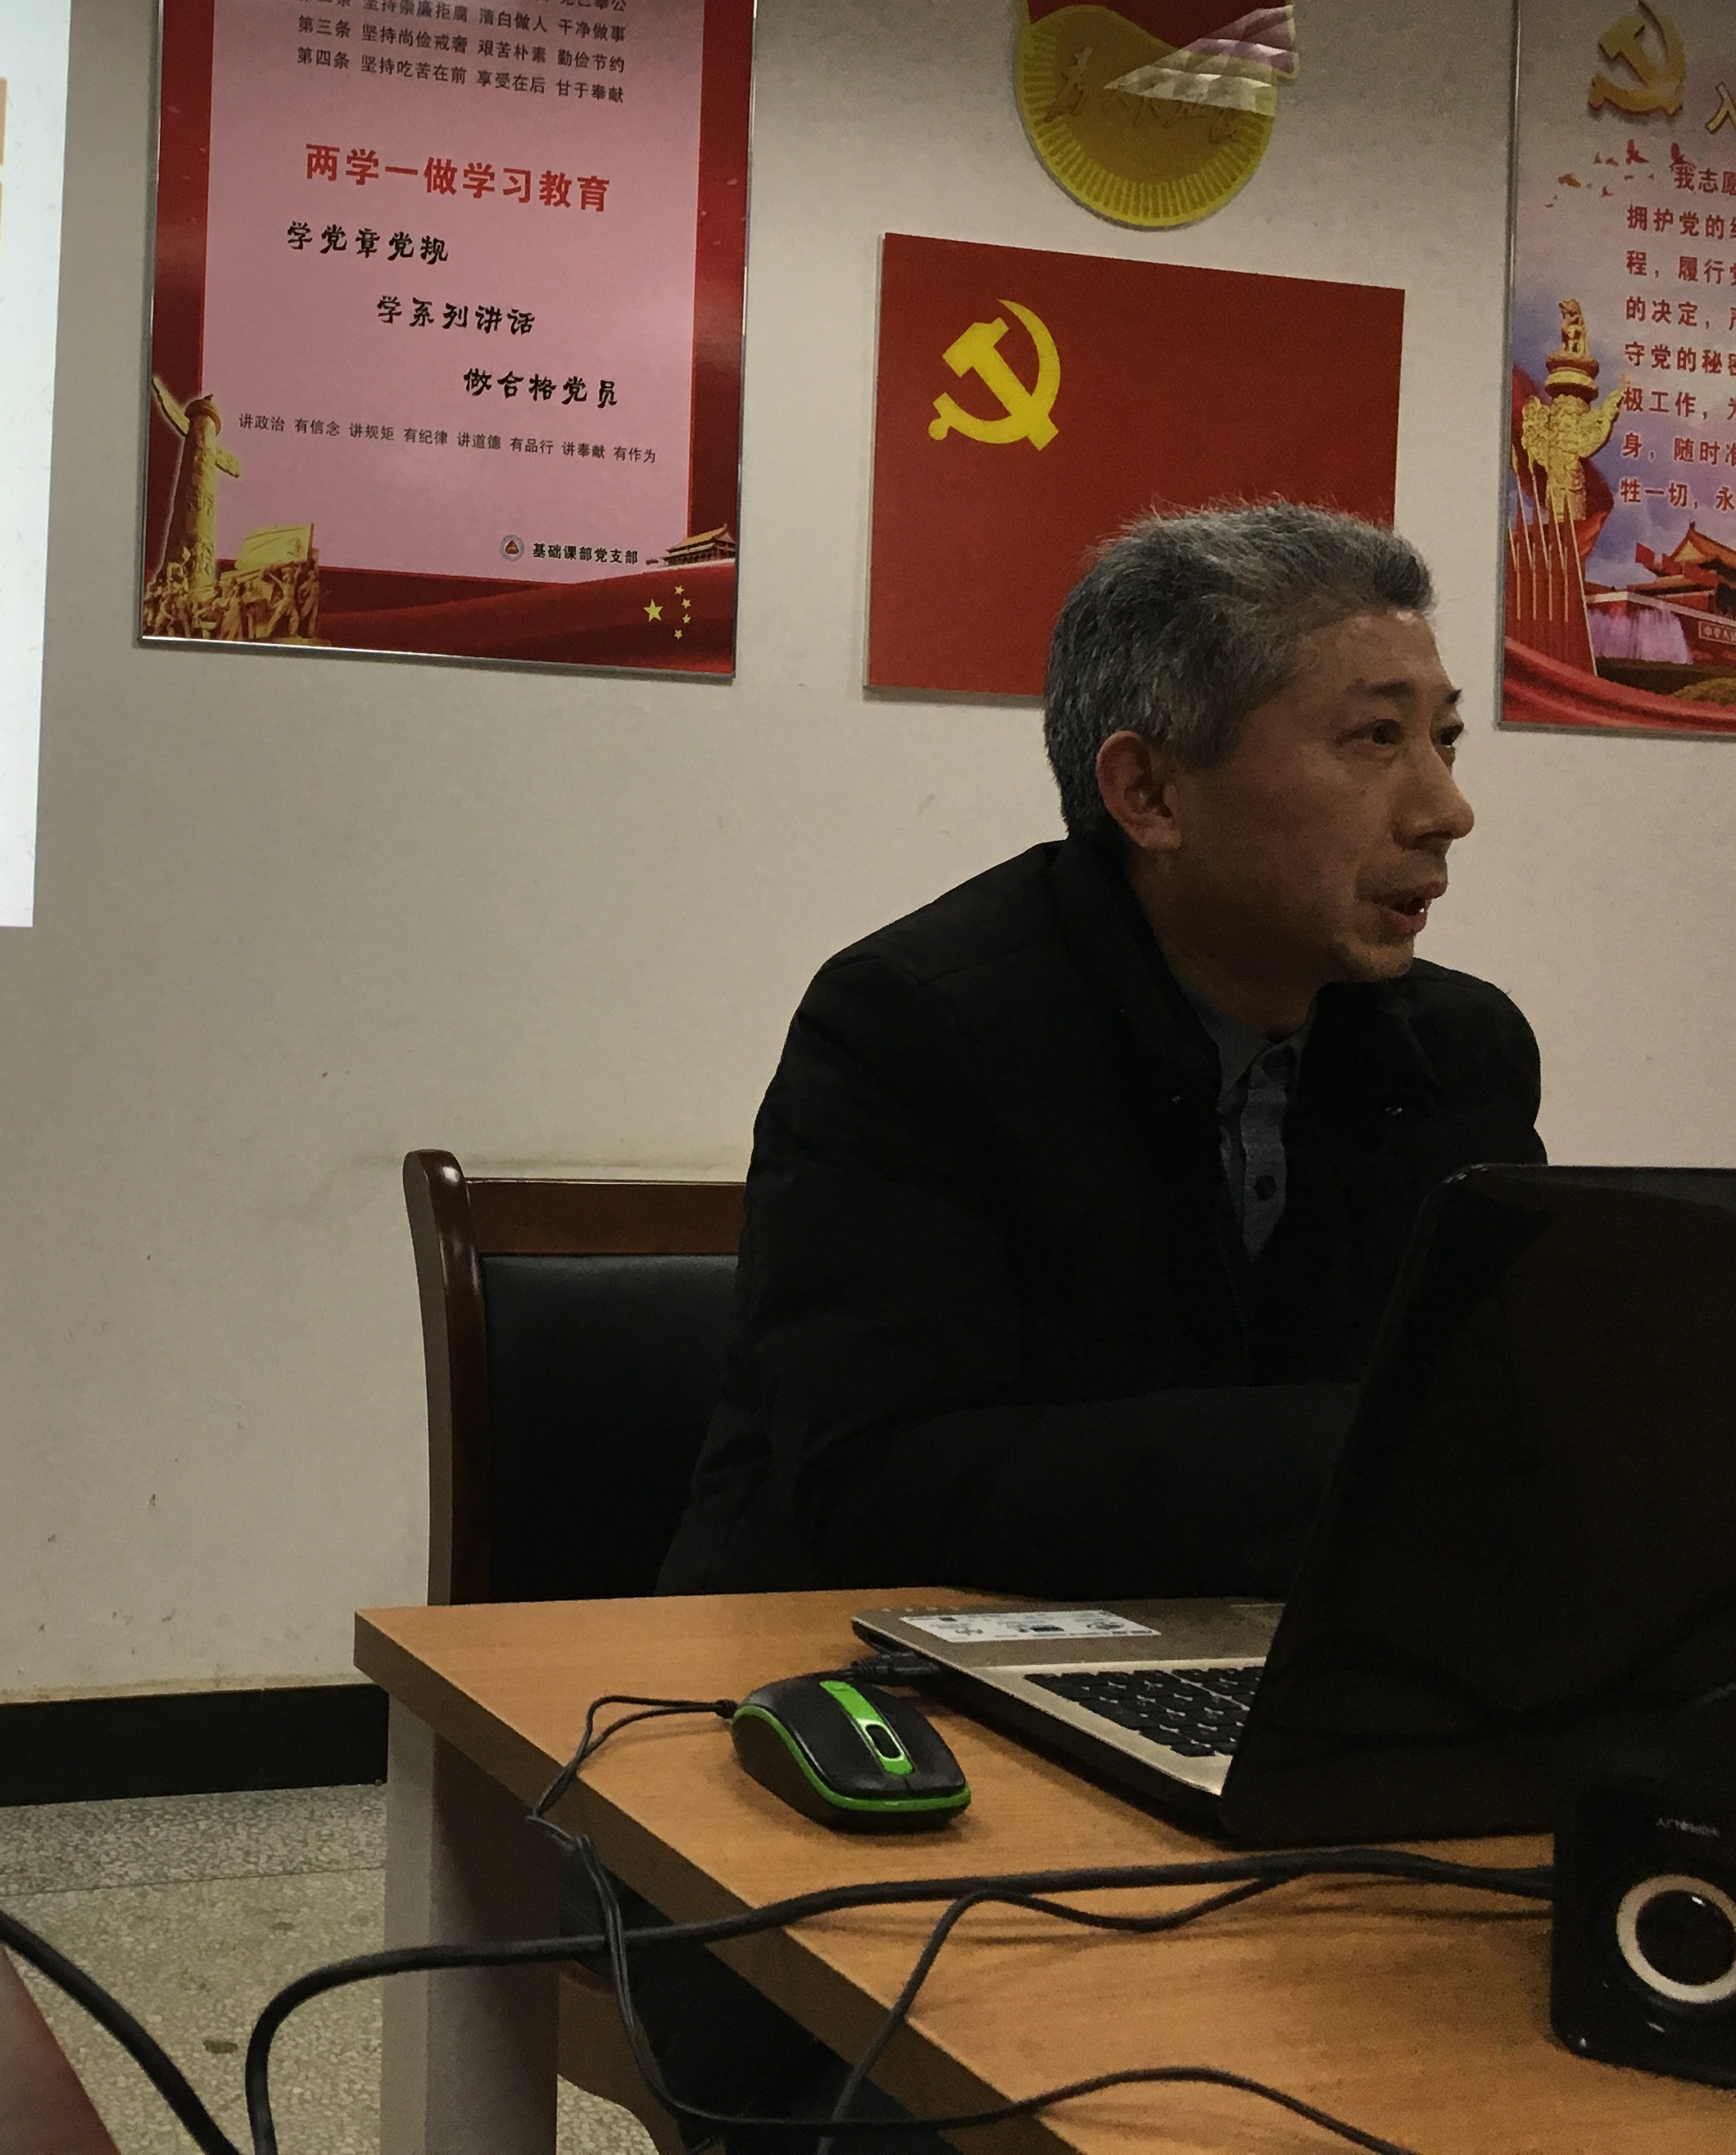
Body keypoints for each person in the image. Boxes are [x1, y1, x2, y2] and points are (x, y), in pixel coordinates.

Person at [613, 502, 1546, 2149]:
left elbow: (1500, 1428)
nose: (1444, 808)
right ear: (1150, 792)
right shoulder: (917, 1027)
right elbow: (879, 1484)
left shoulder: (1453, 1053)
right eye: (1374, 740)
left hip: (1278, 1720)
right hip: (864, 1720)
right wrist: (1362, 1454)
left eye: (1447, 739)